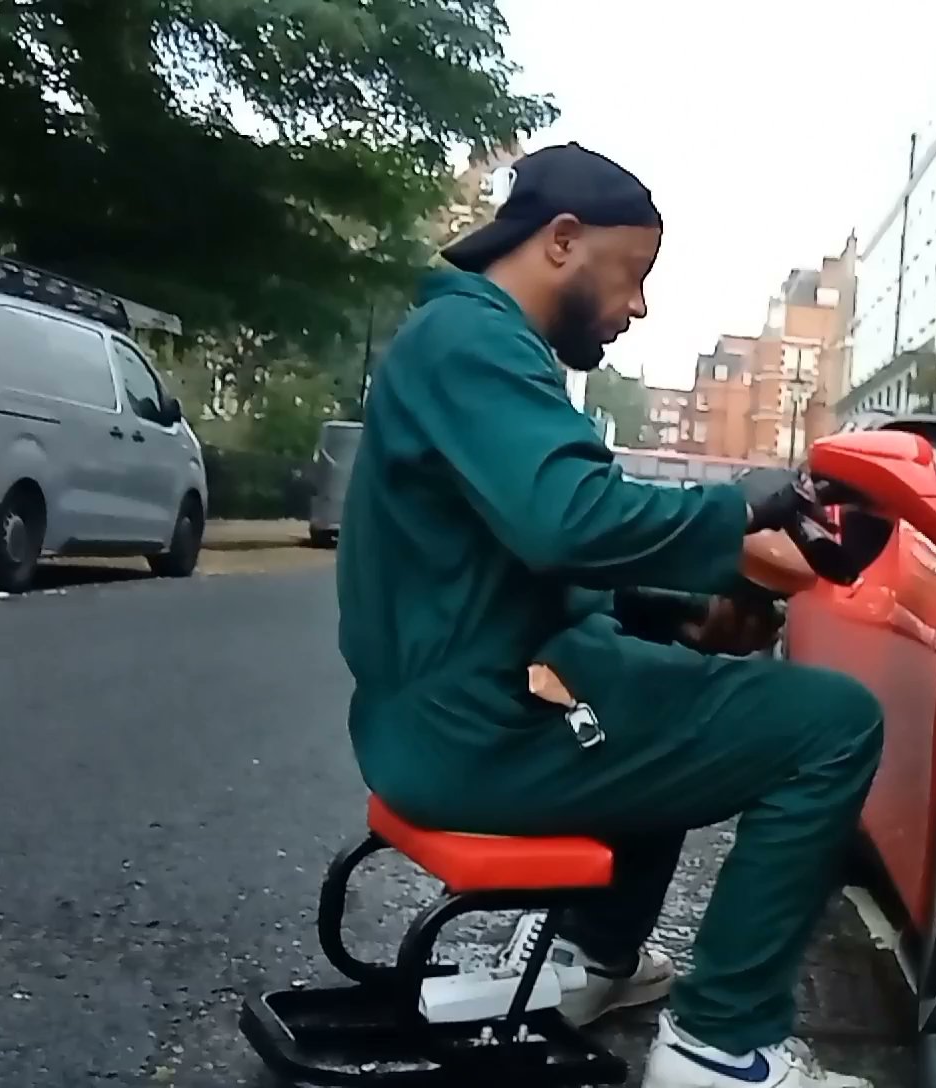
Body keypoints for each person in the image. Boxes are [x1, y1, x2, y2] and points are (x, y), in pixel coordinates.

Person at [335, 142, 884, 1088]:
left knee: (659, 680)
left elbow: (519, 557)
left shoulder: (468, 345)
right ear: (562, 241)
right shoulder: (474, 343)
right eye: (633, 274)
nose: (639, 306)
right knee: (836, 724)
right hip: (471, 735)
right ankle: (720, 1045)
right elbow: (565, 520)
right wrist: (738, 508)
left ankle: (587, 958)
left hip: (454, 713)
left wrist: (677, 614)